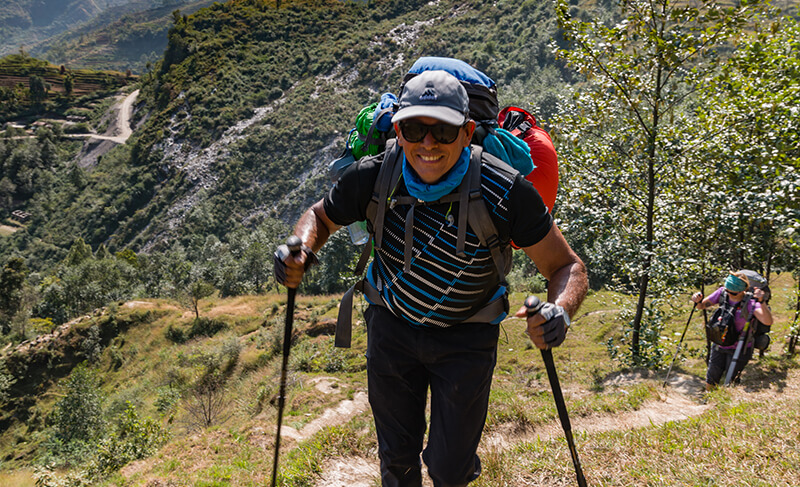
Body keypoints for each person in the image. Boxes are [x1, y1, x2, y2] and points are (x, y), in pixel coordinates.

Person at [274, 70, 588, 487]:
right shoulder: (375, 175)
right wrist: (302, 246)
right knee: (397, 463)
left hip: (467, 340)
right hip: (391, 329)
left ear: (467, 131)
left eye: (442, 129)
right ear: (399, 130)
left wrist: (559, 312)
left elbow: (566, 266)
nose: (427, 143)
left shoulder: (503, 189)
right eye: (415, 127)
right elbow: (320, 216)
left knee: (450, 468)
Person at [691, 271, 773, 390]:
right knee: (712, 376)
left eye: (733, 293)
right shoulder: (723, 293)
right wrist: (697, 300)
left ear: (743, 290)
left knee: (731, 379)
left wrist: (761, 302)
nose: (729, 294)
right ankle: (708, 400)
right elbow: (701, 306)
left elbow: (767, 321)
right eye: (727, 290)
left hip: (740, 347)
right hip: (720, 343)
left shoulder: (750, 303)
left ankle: (726, 403)